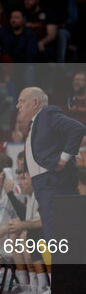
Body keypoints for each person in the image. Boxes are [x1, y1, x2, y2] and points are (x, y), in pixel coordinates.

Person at [17, 87, 86, 243]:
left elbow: (77, 128)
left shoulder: (47, 114)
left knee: (58, 237)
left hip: (53, 183)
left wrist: (63, 159)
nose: (17, 105)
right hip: (43, 185)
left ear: (35, 102)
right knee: (53, 237)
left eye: (21, 101)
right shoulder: (36, 122)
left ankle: (66, 268)